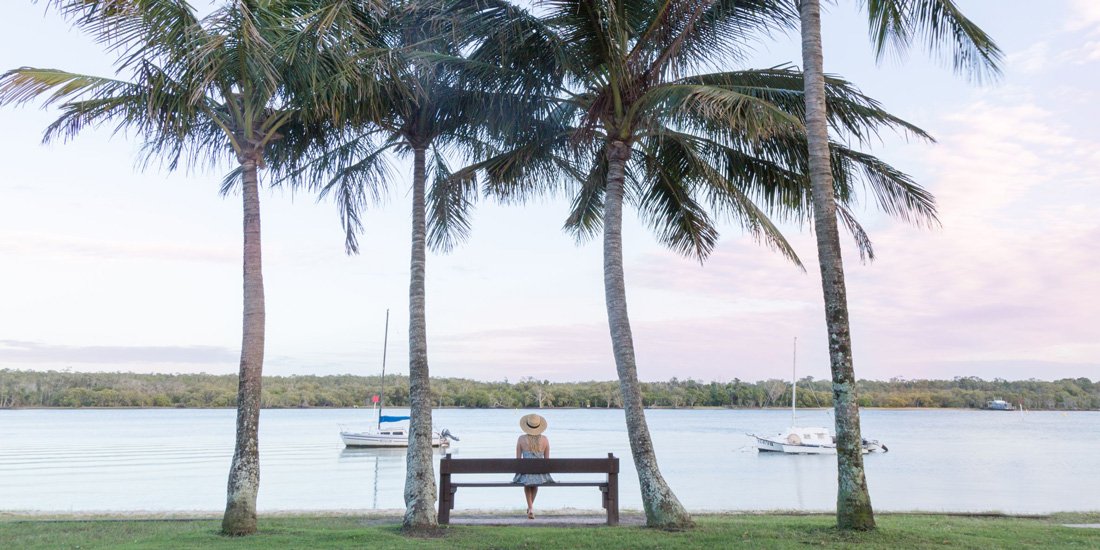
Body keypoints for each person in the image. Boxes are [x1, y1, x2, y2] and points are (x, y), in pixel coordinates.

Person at [513, 413, 553, 519]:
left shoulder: (521, 439)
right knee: (535, 483)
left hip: (525, 472)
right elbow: (547, 461)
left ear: (527, 425)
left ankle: (530, 509)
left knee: (527, 483)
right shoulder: (545, 439)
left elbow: (518, 460)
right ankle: (530, 508)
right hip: (539, 474)